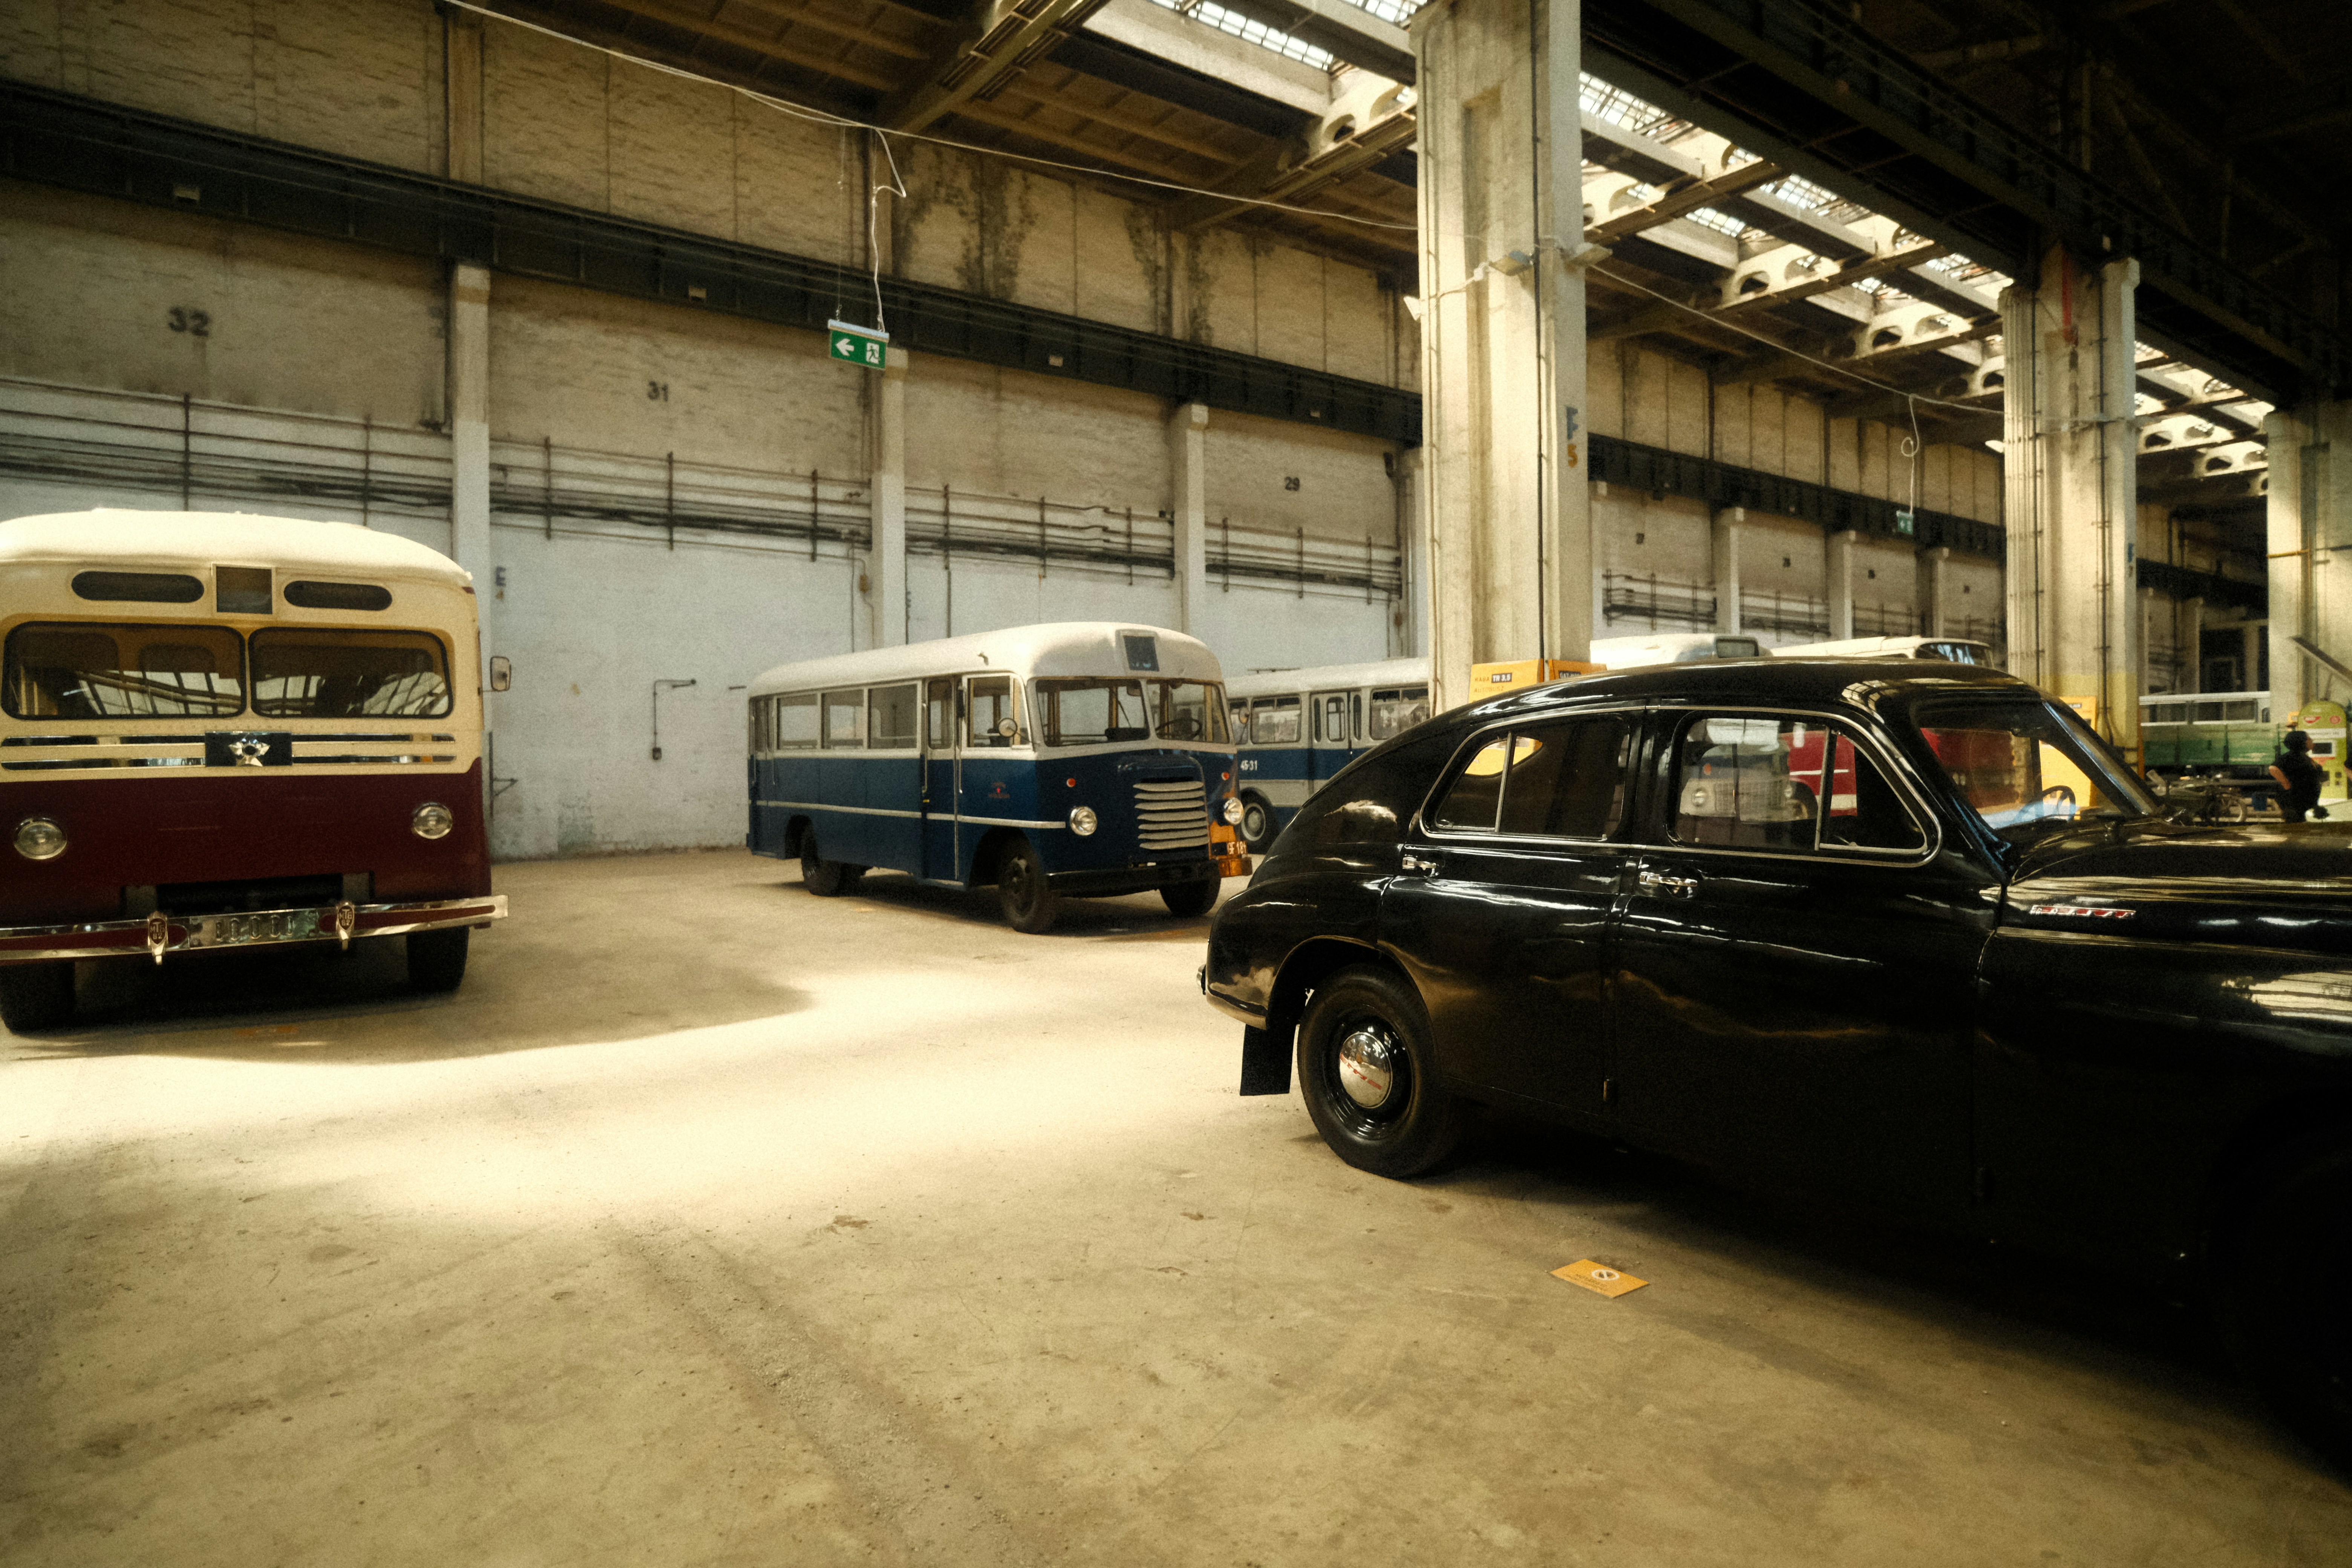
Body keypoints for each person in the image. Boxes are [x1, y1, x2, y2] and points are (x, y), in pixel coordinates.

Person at [2269, 728, 2326, 822]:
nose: (2312, 741)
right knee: (2296, 827)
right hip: (2295, 801)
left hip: (2306, 801)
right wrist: (2286, 785)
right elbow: (2273, 768)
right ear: (2301, 742)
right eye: (2309, 739)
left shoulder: (2305, 757)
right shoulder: (2291, 757)